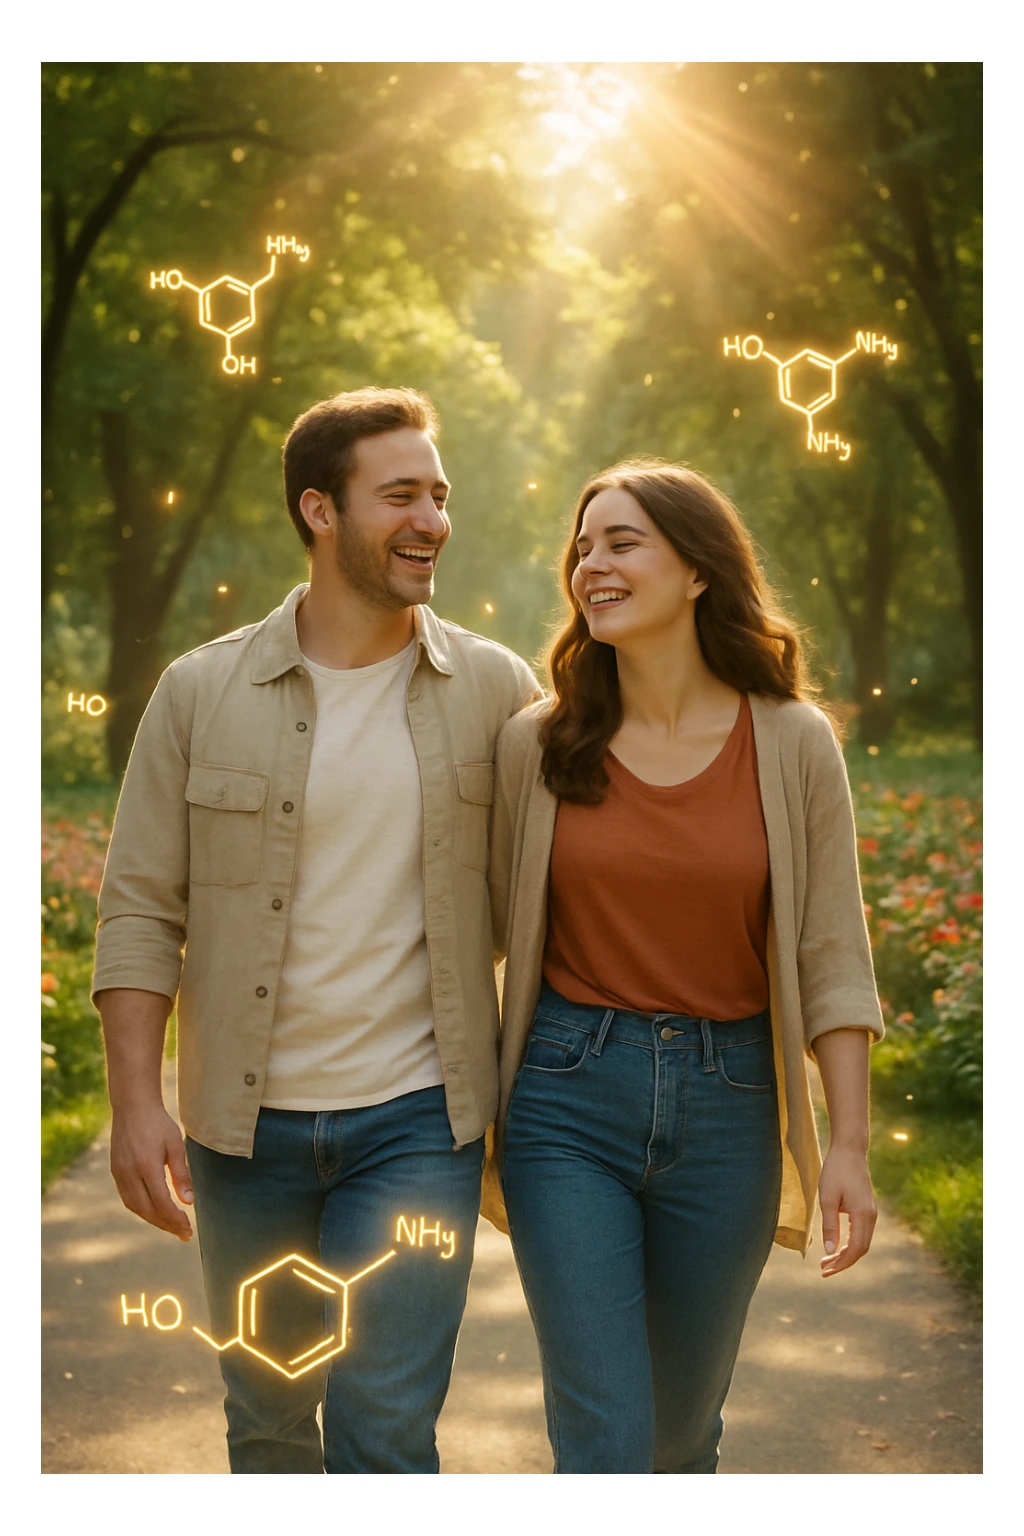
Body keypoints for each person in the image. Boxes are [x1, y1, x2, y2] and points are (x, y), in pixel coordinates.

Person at [92, 385, 540, 1474]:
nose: (431, 518)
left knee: (385, 1424)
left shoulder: (494, 690)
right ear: (319, 510)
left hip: (417, 1125)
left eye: (439, 494)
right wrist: (135, 1103)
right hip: (244, 1137)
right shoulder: (200, 694)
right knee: (270, 1421)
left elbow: (554, 895)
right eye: (400, 495)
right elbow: (142, 907)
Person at [482, 458, 884, 1475]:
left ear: (698, 570)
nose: (591, 564)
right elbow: (472, 926)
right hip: (566, 1096)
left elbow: (832, 952)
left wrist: (848, 1145)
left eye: (622, 542)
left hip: (732, 1101)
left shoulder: (792, 743)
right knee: (602, 1433)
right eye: (582, 547)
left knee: (680, 1433)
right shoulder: (536, 744)